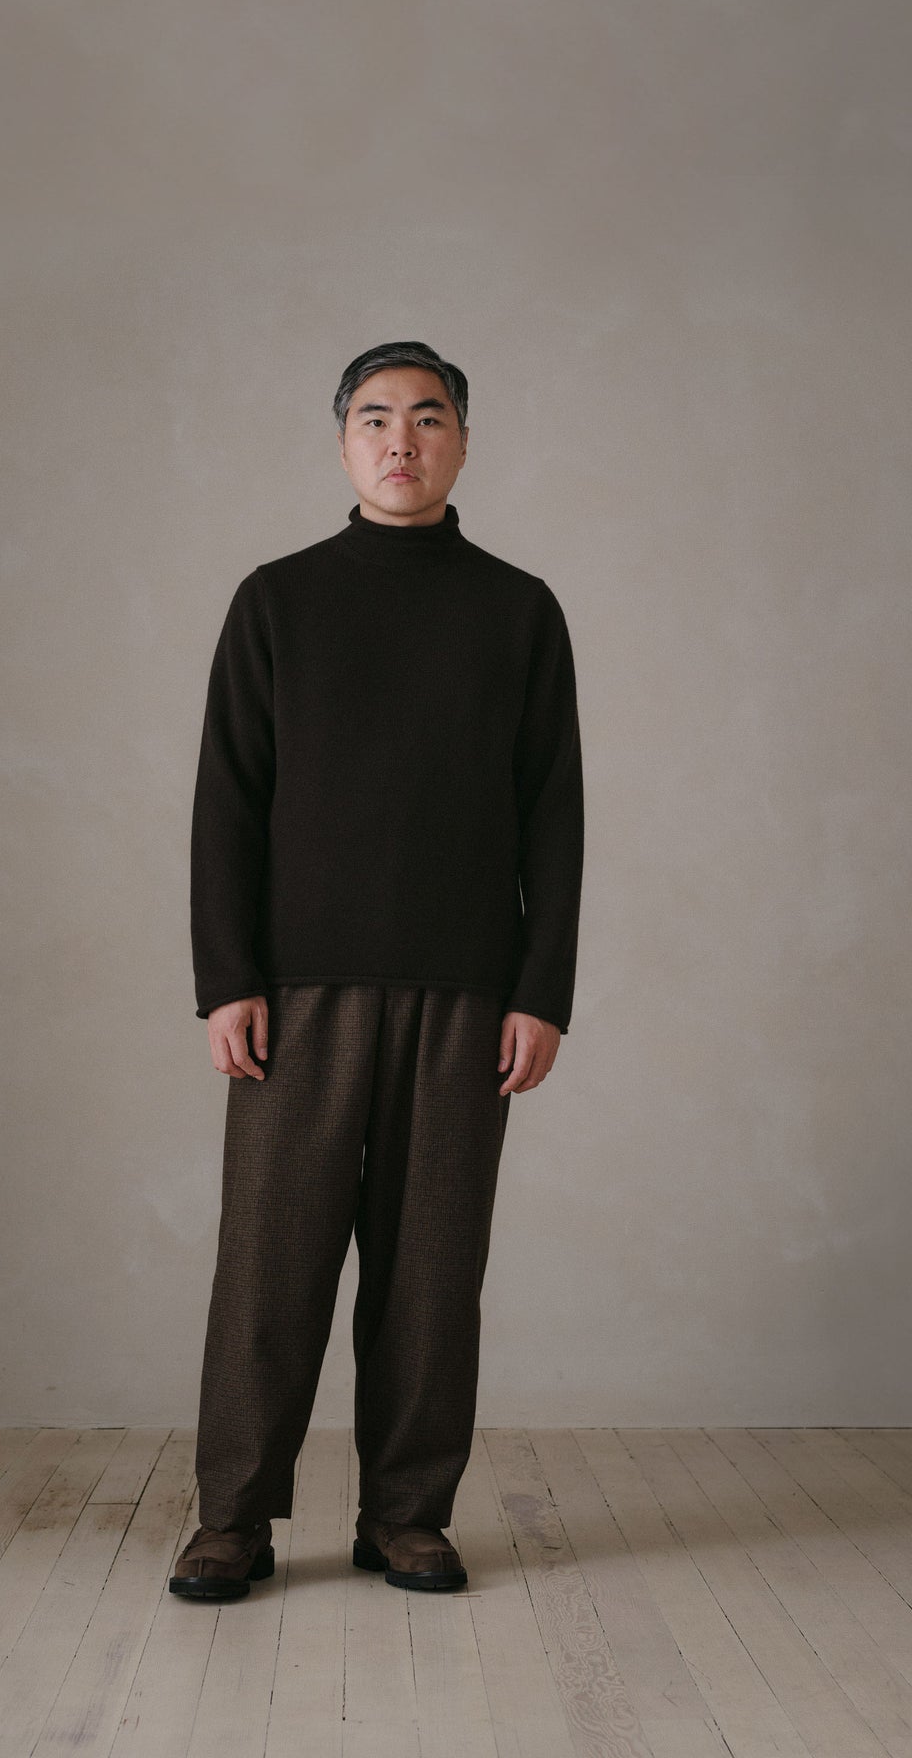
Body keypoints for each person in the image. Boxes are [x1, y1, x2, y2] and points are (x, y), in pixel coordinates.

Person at [169, 340, 584, 1601]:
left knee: (433, 1273)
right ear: (343, 442)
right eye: (375, 418)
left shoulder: (519, 611)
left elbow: (553, 812)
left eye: (428, 417)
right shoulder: (277, 601)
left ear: (462, 441)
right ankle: (233, 1518)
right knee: (270, 1266)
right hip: (296, 994)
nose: (402, 440)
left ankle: (406, 1516)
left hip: (466, 993)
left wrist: (541, 990)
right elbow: (227, 803)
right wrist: (225, 976)